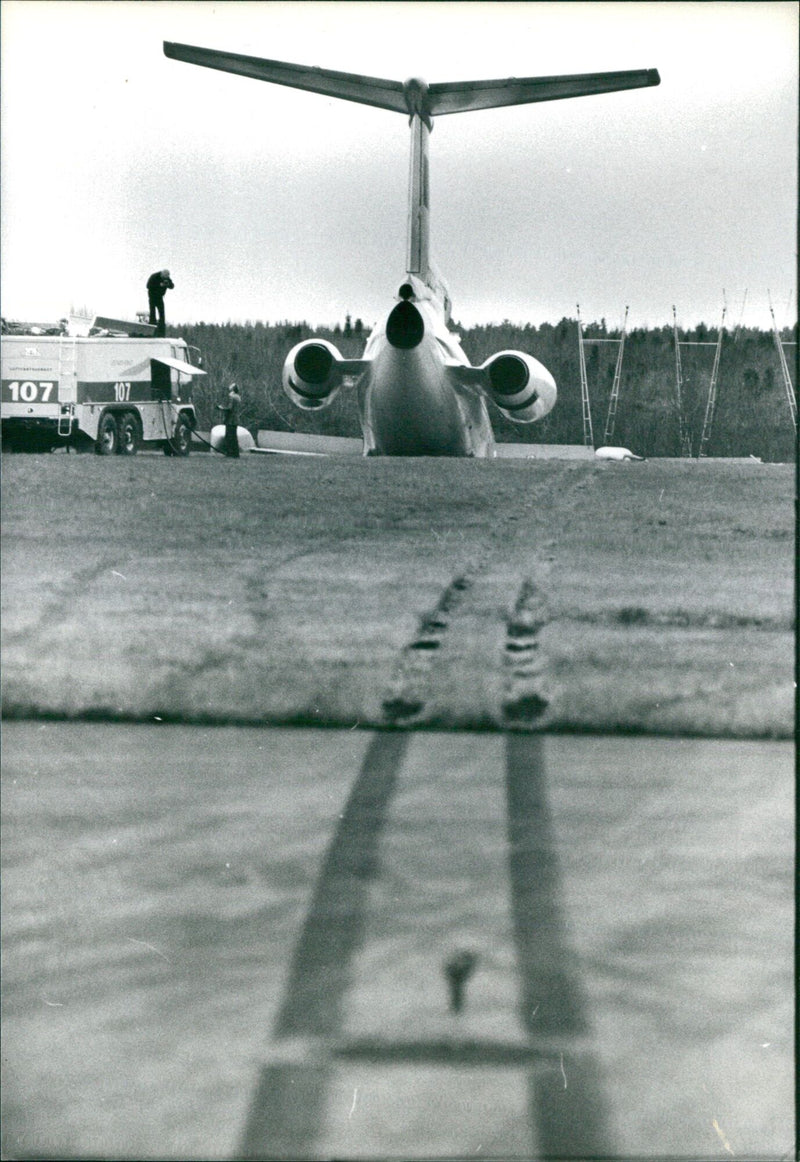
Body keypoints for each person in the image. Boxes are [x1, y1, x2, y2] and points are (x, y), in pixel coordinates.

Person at [217, 383, 242, 458]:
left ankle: (230, 453)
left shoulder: (231, 396)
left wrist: (221, 408)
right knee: (234, 437)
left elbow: (229, 408)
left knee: (229, 436)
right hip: (236, 419)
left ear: (233, 388)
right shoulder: (238, 397)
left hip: (230, 419)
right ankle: (235, 453)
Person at [146, 269, 174, 336]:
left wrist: (168, 284)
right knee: (153, 313)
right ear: (161, 274)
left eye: (166, 278)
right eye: (163, 278)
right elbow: (148, 286)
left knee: (162, 314)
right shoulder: (154, 276)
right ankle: (152, 329)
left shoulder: (167, 278)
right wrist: (159, 285)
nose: (164, 279)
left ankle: (161, 331)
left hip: (159, 297)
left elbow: (172, 286)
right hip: (152, 296)